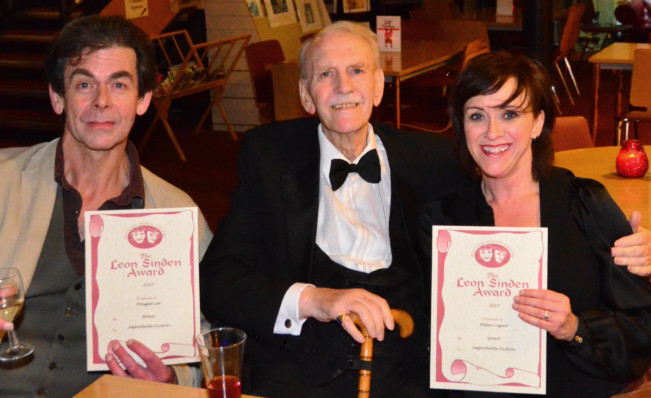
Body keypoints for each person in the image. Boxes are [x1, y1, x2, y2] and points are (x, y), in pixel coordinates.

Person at [200, 21, 651, 397]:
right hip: (299, 373)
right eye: (325, 75)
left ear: (379, 84)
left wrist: (642, 252)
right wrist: (315, 299)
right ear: (304, 93)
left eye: (357, 70)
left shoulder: (433, 161)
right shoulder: (267, 155)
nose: (343, 88)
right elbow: (219, 279)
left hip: (411, 375)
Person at [0, 15, 212, 396]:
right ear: (58, 98)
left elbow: (201, 337)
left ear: (143, 101)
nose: (101, 101)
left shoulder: (177, 214)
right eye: (84, 84)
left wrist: (172, 379)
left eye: (119, 84)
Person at [418, 51, 651, 397]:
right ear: (460, 125)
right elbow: (429, 333)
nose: (492, 132)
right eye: (477, 116)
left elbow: (640, 335)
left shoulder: (583, 204)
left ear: (538, 123)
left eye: (510, 114)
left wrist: (574, 328)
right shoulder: (443, 221)